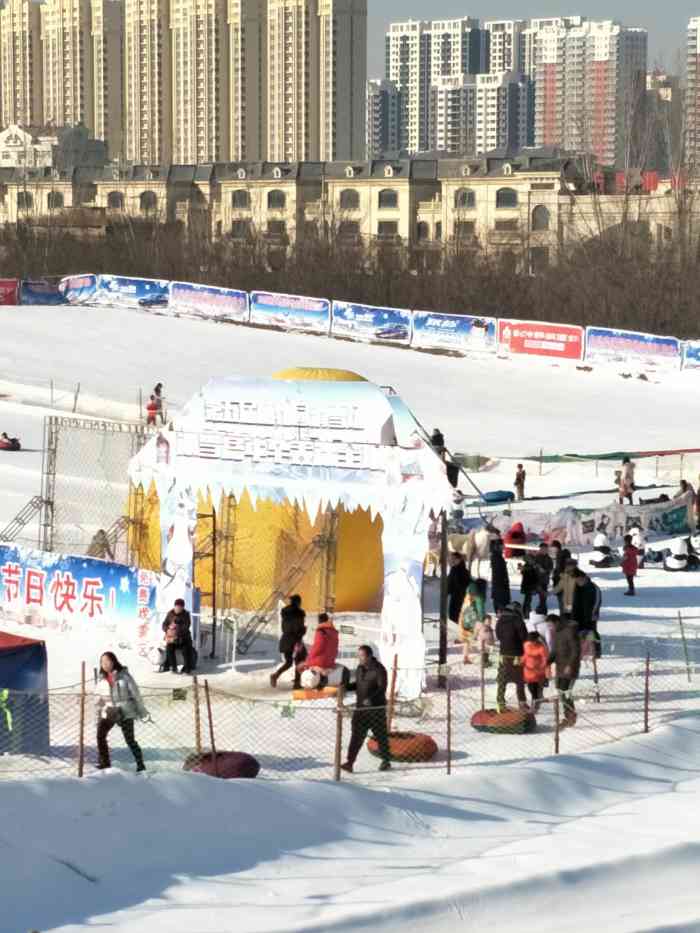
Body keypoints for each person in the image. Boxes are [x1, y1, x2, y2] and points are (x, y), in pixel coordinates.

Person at [341, 645, 391, 774]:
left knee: (381, 736)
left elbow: (382, 688)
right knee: (356, 736)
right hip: (361, 710)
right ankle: (349, 763)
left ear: (369, 656)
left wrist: (371, 699)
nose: (359, 658)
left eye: (361, 656)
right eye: (358, 656)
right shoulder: (360, 668)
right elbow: (358, 685)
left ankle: (386, 761)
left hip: (376, 710)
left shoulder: (379, 670)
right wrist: (346, 686)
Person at [95, 651, 147, 771]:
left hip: (125, 711)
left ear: (114, 661)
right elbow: (97, 700)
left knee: (130, 740)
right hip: (110, 711)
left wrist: (141, 711)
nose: (105, 664)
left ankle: (140, 765)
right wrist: (98, 714)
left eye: (107, 661)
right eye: (102, 662)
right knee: (100, 735)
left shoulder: (124, 676)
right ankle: (105, 763)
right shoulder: (101, 679)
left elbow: (136, 694)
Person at [495, 604, 529, 711]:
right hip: (517, 655)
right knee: (520, 680)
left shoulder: (500, 620)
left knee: (502, 679)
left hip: (503, 654)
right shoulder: (518, 621)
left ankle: (500, 703)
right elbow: (524, 637)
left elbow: (498, 635)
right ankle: (522, 703)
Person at [551, 615, 581, 728]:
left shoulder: (570, 632)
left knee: (565, 692)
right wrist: (547, 662)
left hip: (569, 669)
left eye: (551, 625)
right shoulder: (558, 633)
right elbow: (555, 650)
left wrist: (570, 665)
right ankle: (568, 715)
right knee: (561, 692)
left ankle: (571, 716)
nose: (550, 627)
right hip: (560, 667)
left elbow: (575, 651)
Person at [270, 595, 307, 689]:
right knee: (300, 661)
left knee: (289, 662)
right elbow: (298, 628)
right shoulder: (299, 613)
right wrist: (303, 630)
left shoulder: (285, 612)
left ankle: (276, 675)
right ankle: (297, 683)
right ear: (298, 602)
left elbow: (286, 627)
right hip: (295, 640)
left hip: (285, 640)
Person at [297, 613, 339, 686]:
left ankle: (309, 684)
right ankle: (319, 680)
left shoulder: (321, 631)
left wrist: (308, 660)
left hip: (320, 662)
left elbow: (318, 647)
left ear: (319, 621)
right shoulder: (334, 632)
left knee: (300, 666)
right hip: (330, 661)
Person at [160, 598, 195, 674]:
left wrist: (176, 632)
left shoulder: (186, 614)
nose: (178, 608)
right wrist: (167, 630)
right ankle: (173, 667)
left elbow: (186, 626)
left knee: (186, 650)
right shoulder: (170, 613)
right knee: (169, 648)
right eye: (177, 606)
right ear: (175, 606)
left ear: (183, 608)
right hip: (172, 639)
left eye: (180, 607)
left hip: (184, 638)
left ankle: (187, 668)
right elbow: (164, 624)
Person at [572, 569, 602, 655]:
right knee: (578, 631)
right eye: (576, 580)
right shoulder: (576, 588)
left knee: (592, 632)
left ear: (584, 578)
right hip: (578, 614)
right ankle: (580, 650)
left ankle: (597, 651)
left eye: (579, 580)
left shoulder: (593, 588)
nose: (578, 582)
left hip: (591, 614)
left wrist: (594, 613)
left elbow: (597, 601)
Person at [458, 579, 487, 664]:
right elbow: (480, 609)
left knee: (467, 639)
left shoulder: (469, 592)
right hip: (473, 620)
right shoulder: (479, 596)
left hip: (464, 617)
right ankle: (484, 658)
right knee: (483, 636)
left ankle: (466, 656)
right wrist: (482, 620)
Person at [522, 631, 549, 712]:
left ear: (536, 640)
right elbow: (524, 655)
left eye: (532, 640)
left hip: (538, 673)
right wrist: (521, 662)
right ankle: (537, 701)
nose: (530, 642)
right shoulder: (526, 645)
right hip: (527, 671)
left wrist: (543, 669)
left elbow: (545, 659)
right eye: (529, 640)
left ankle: (534, 707)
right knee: (531, 688)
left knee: (535, 690)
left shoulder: (541, 647)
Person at [447, 552, 471, 625]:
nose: (451, 561)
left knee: (454, 616)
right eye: (451, 559)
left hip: (457, 596)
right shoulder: (463, 570)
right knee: (459, 616)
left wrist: (447, 591)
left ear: (459, 559)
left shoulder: (456, 570)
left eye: (453, 559)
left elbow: (452, 583)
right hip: (461, 596)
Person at [489, 538, 511, 612]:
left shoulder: (498, 556)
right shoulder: (496, 557)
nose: (503, 547)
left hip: (500, 585)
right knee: (501, 605)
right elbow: (498, 573)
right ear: (497, 546)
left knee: (502, 604)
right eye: (501, 545)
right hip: (500, 586)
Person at [550, 541, 571, 614]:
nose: (552, 550)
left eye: (553, 548)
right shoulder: (560, 556)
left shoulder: (560, 555)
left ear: (557, 548)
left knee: (562, 602)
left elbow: (560, 570)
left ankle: (564, 617)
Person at [533, 542, 553, 614]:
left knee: (543, 598)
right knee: (542, 597)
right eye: (542, 549)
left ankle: (542, 611)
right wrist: (538, 569)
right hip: (538, 580)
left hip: (545, 580)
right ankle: (542, 611)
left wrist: (546, 571)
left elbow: (551, 568)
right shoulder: (537, 558)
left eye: (545, 549)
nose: (544, 550)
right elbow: (533, 567)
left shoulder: (549, 558)